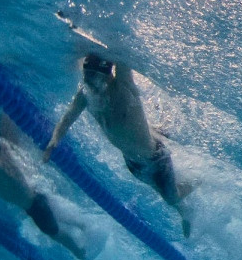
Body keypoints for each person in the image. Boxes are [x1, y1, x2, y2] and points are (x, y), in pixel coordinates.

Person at [45, 54, 192, 235]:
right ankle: (185, 209)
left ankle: (200, 182)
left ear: (107, 76)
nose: (90, 85)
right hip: (133, 164)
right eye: (87, 79)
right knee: (165, 196)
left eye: (94, 79)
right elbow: (66, 120)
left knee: (172, 196)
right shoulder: (86, 95)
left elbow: (123, 54)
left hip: (155, 157)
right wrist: (55, 140)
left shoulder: (123, 85)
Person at [0, 127, 87, 260]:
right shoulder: (3, 147)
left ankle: (80, 253)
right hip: (35, 199)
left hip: (35, 207)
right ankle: (85, 227)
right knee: (59, 217)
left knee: (55, 233)